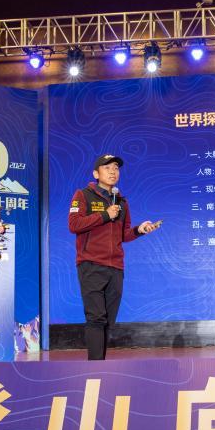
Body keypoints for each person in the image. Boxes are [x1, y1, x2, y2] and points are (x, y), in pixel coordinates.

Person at [68, 154, 161, 360]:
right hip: (91, 264)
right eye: (107, 168)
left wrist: (139, 230)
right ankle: (95, 367)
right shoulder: (83, 195)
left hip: (116, 267)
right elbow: (74, 224)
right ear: (96, 173)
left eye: (116, 168)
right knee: (96, 318)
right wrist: (104, 215)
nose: (113, 171)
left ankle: (101, 364)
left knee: (109, 320)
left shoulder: (122, 202)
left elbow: (123, 235)